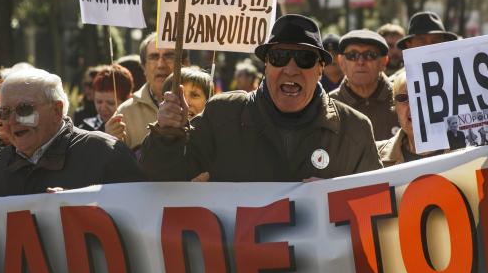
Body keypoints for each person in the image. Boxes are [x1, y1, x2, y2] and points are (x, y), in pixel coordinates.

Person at [140, 14, 382, 182]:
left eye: (304, 59)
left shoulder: (354, 129)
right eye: (279, 57)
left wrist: (336, 198)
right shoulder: (222, 115)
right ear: (266, 65)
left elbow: (376, 207)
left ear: (320, 68)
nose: (291, 68)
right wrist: (167, 133)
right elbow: (162, 176)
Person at [0, 68, 145, 198]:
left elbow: (140, 212)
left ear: (57, 110)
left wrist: (78, 205)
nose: (12, 121)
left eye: (24, 109)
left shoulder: (107, 154)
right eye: (4, 112)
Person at [109, 32, 189, 150]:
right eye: (154, 57)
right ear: (143, 67)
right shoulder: (125, 112)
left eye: (169, 56)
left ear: (185, 64)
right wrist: (108, 141)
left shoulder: (200, 105)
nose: (161, 64)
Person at [330, 29, 399, 141]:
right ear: (341, 62)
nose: (360, 62)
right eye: (352, 55)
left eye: (370, 55)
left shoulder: (404, 100)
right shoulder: (327, 107)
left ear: (384, 62)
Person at [376, 70, 447, 166]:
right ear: (395, 105)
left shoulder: (468, 150)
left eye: (423, 97)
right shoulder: (376, 157)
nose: (414, 105)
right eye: (404, 98)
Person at [81, 65, 134, 134]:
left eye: (110, 103)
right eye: (99, 102)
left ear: (128, 100)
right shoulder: (85, 129)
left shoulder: (140, 125)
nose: (103, 108)